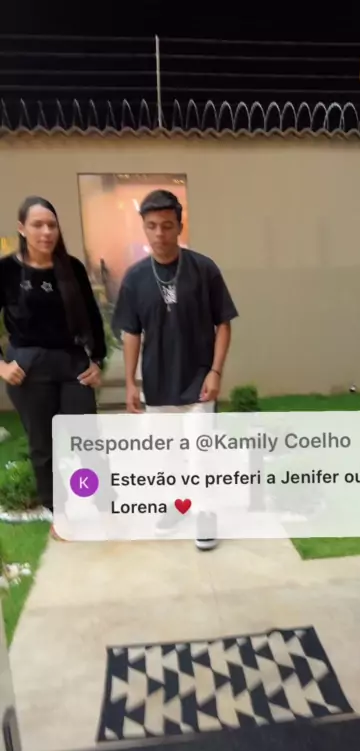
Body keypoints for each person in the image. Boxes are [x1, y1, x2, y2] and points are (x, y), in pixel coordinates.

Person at [112, 189, 239, 551]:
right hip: (157, 383)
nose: (159, 234)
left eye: (167, 226)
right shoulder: (135, 278)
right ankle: (177, 505)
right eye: (152, 226)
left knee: (201, 454)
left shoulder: (204, 269)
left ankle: (206, 513)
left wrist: (216, 371)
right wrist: (131, 382)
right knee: (166, 455)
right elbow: (131, 332)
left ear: (179, 226)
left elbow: (223, 323)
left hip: (199, 380)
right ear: (144, 227)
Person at [0, 196, 107, 539]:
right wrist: (1, 367)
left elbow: (92, 317)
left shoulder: (71, 268)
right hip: (27, 367)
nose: (46, 232)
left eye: (52, 225)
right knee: (42, 445)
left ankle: (103, 505)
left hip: (71, 362)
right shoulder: (6, 270)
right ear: (22, 228)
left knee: (86, 439)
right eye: (38, 225)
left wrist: (97, 360)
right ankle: (60, 514)